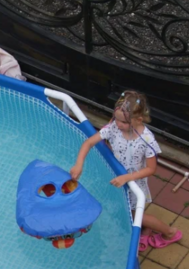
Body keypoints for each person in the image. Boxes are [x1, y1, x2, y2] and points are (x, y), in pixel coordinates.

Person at [70, 91, 181, 250]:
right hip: (120, 178)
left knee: (135, 215)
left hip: (133, 182)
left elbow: (151, 169)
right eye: (116, 119)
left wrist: (127, 178)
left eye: (123, 122)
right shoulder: (114, 128)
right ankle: (146, 229)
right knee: (126, 209)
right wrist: (79, 164)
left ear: (138, 120)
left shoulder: (147, 140)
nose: (118, 124)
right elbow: (89, 143)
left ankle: (170, 233)